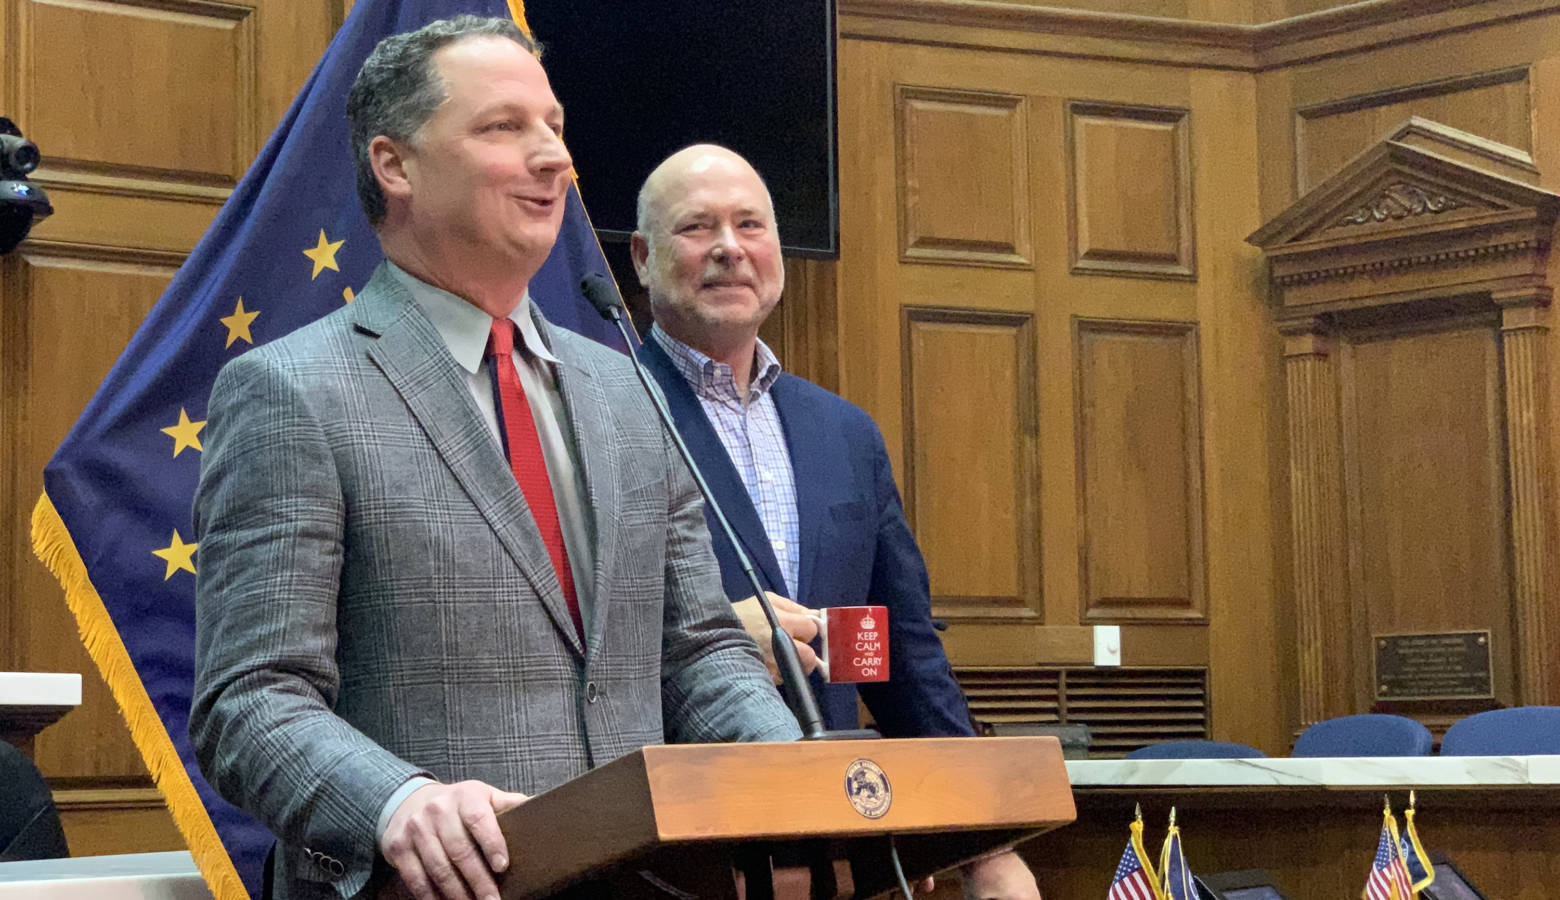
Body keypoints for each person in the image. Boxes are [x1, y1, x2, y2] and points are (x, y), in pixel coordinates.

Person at [189, 22, 799, 900]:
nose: (554, 158)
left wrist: (793, 778)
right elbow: (251, 700)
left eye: (553, 126)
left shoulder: (630, 390)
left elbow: (698, 652)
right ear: (394, 166)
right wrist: (398, 803)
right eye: (505, 127)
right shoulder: (292, 391)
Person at [631, 144, 1043, 900]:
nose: (729, 247)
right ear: (643, 258)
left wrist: (983, 843)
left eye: (750, 224)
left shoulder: (844, 433)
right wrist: (713, 639)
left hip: (834, 842)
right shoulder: (601, 410)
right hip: (674, 852)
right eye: (697, 227)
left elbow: (899, 650)